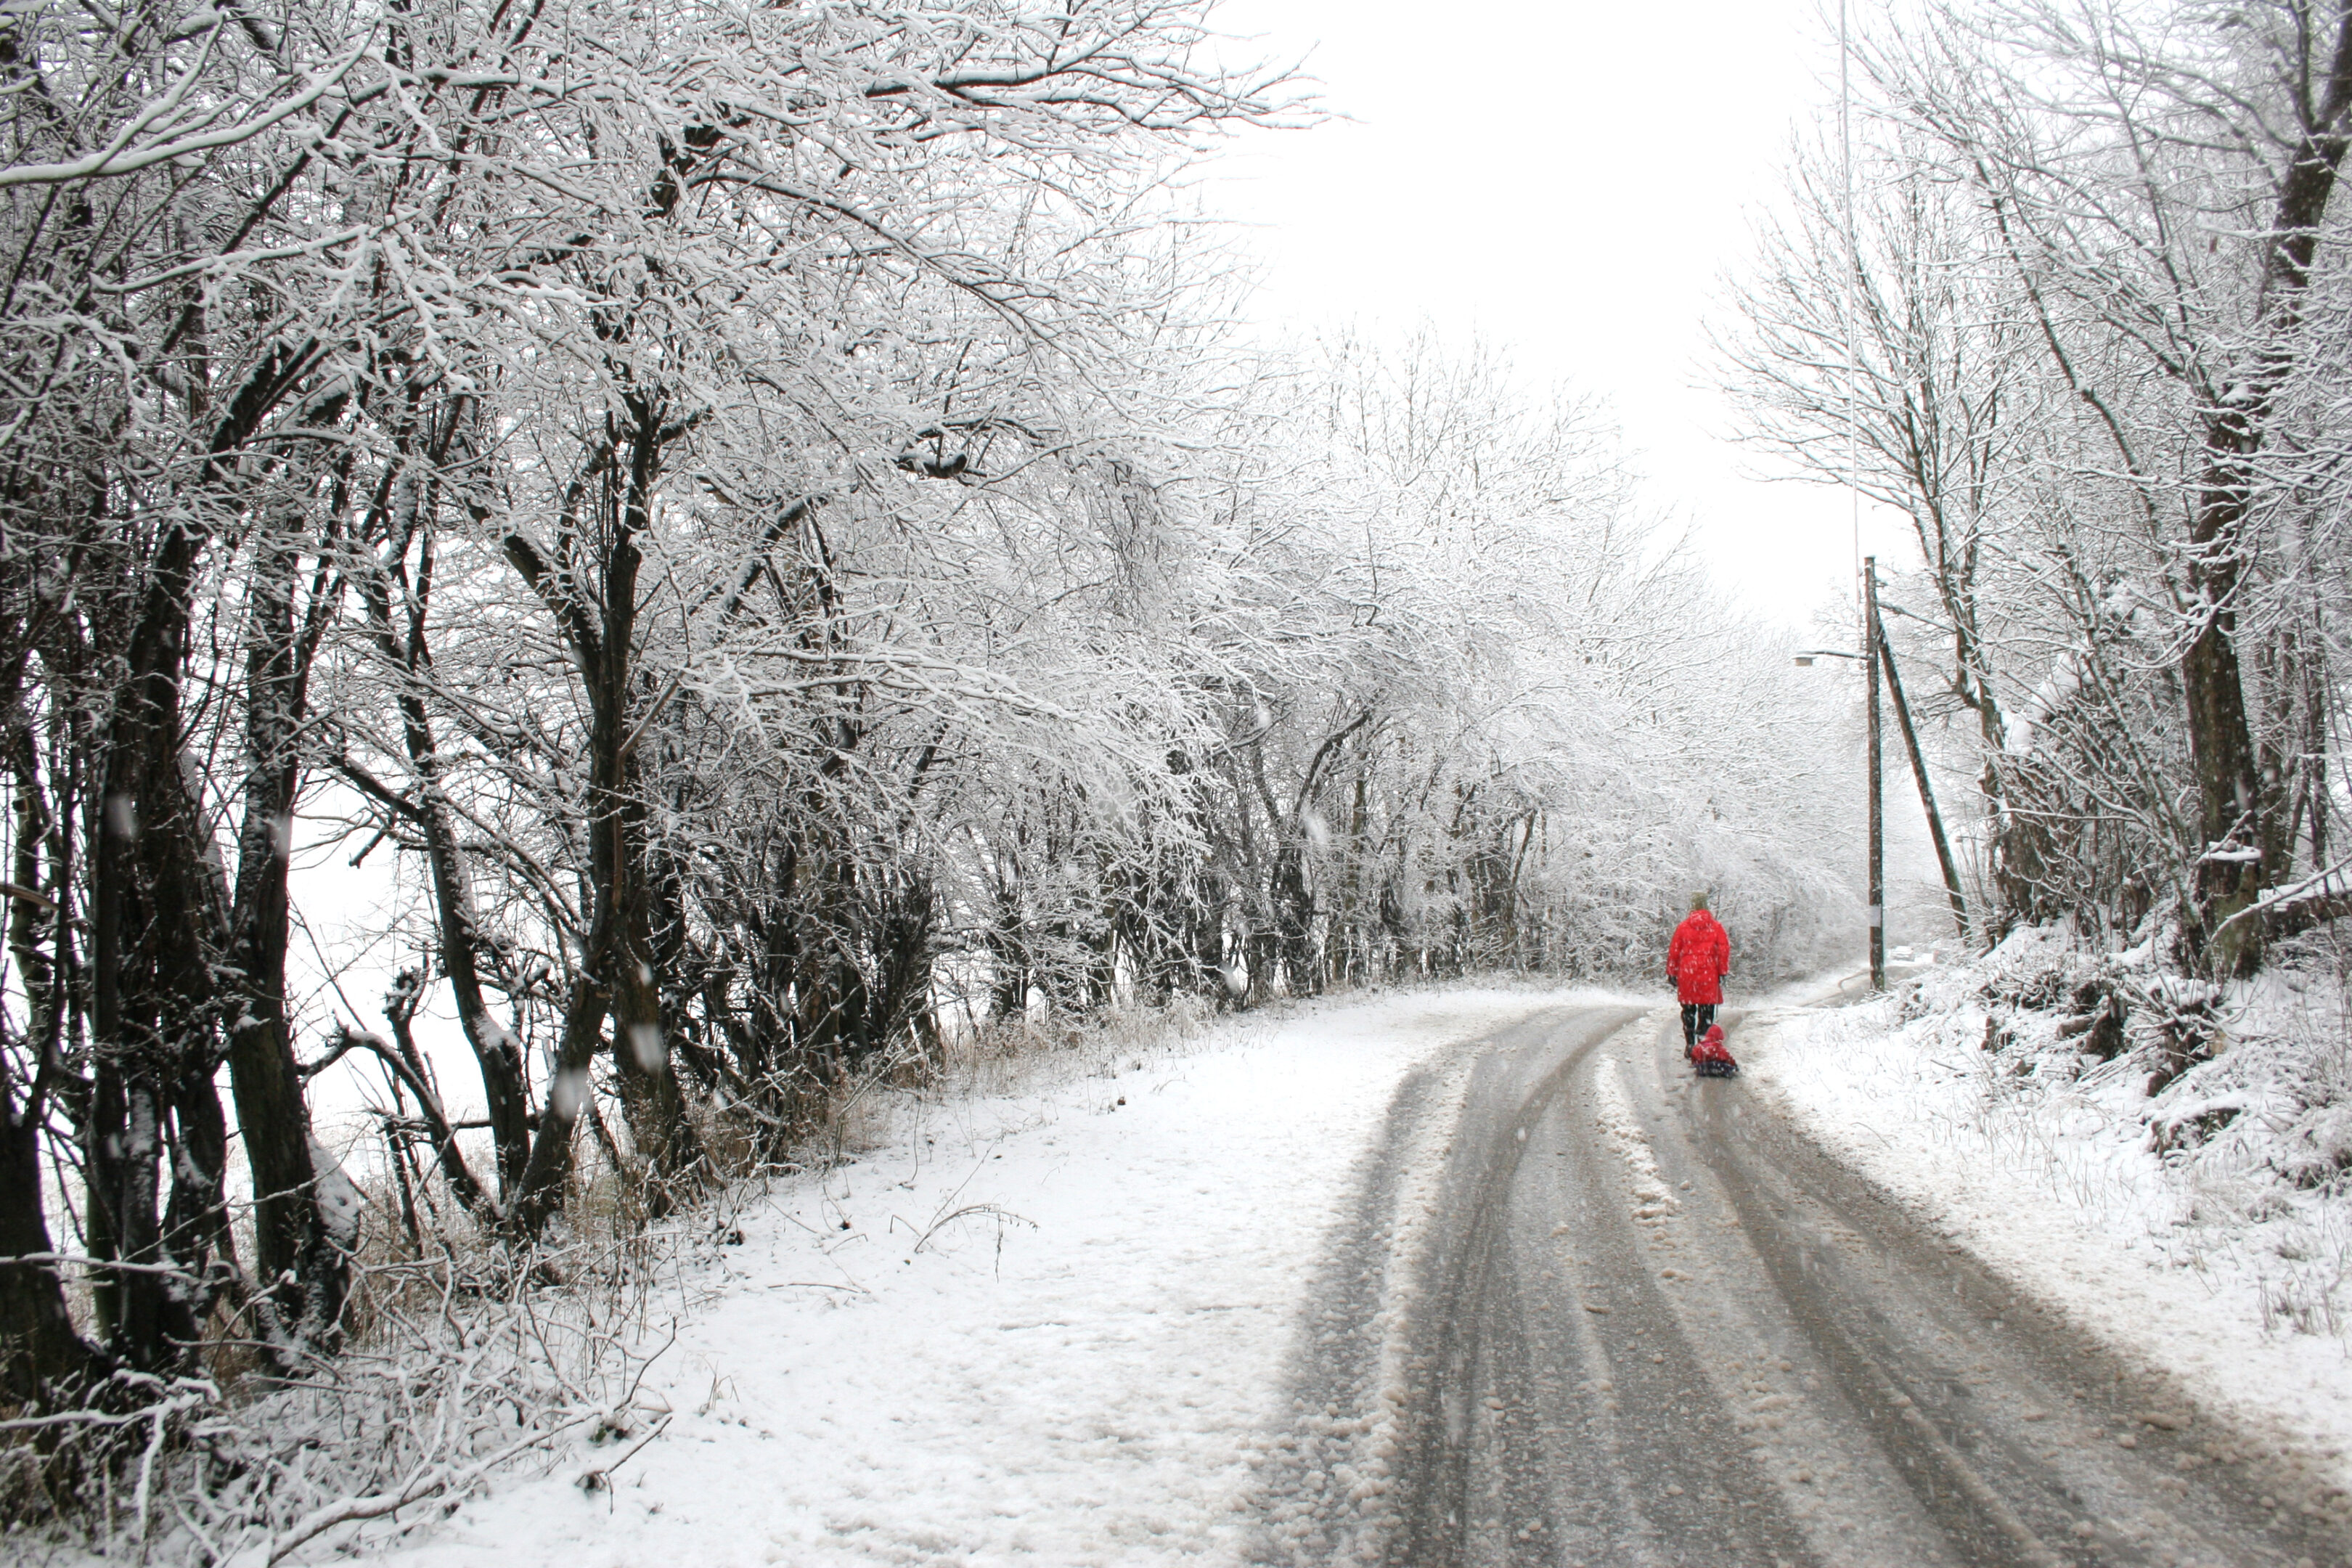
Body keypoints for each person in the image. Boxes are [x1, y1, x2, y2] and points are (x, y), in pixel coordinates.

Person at [1667, 892, 1731, 1057]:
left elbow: (1675, 951)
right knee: (1706, 1011)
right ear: (1707, 907)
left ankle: (1690, 1044)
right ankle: (1703, 1045)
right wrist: (1722, 971)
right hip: (1708, 972)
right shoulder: (1716, 927)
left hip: (1687, 973)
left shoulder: (1683, 927)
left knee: (1688, 1010)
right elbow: (1724, 951)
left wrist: (1672, 972)